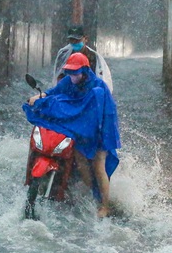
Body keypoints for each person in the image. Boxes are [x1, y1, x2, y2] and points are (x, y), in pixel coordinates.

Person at [25, 52, 120, 217]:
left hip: (99, 131)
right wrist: (40, 96)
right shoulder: (69, 81)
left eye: (75, 72)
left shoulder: (98, 88)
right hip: (80, 129)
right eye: (69, 72)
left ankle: (104, 206)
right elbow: (54, 92)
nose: (72, 75)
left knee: (99, 166)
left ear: (84, 70)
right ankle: (91, 193)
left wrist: (96, 132)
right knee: (81, 160)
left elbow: (98, 113)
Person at [52, 25, 113, 92]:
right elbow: (59, 75)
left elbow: (99, 79)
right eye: (72, 40)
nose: (74, 42)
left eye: (77, 40)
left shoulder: (93, 57)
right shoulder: (63, 54)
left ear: (85, 39)